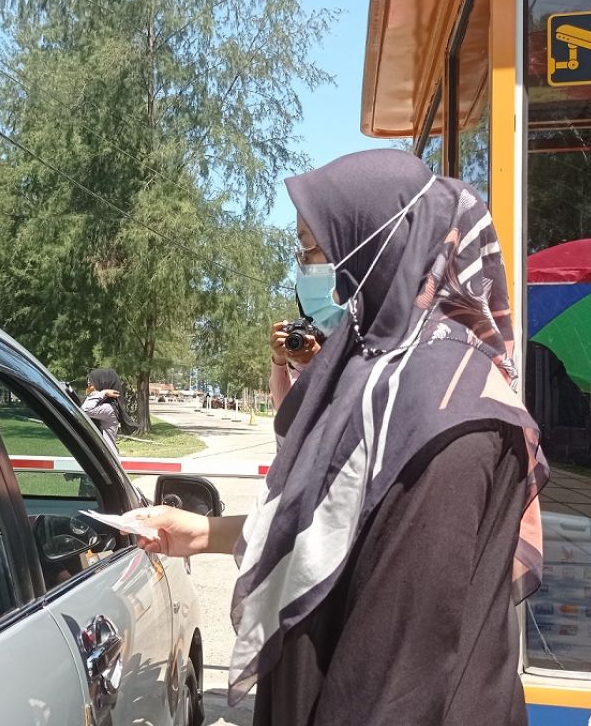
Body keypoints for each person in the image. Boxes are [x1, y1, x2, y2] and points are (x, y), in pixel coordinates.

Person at [133, 149, 548, 725]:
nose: (305, 271)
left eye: (313, 249)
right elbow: (339, 530)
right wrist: (203, 532)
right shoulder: (380, 380)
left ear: (381, 246)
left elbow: (401, 667)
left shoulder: (441, 411)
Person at [81, 368, 136, 455]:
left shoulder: (109, 408)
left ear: (103, 383)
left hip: (107, 457)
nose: (89, 386)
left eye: (92, 383)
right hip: (102, 456)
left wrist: (103, 392)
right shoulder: (100, 403)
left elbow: (84, 410)